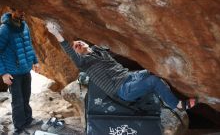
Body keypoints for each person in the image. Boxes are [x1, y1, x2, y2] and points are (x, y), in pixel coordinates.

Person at [52, 31, 195, 112]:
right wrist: (58, 35)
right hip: (122, 89)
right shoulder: (85, 63)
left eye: (79, 42)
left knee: (154, 72)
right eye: (76, 46)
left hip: (129, 76)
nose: (78, 44)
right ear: (77, 54)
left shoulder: (99, 51)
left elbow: (107, 41)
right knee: (154, 81)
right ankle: (177, 105)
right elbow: (70, 53)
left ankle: (165, 97)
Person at [0, 8, 42, 134]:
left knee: (26, 97)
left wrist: (35, 61)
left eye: (23, 11)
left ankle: (28, 120)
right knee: (17, 101)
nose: (22, 13)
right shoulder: (4, 30)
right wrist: (3, 73)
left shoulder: (24, 26)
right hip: (13, 73)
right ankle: (19, 127)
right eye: (19, 11)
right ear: (12, 11)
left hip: (25, 70)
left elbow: (29, 45)